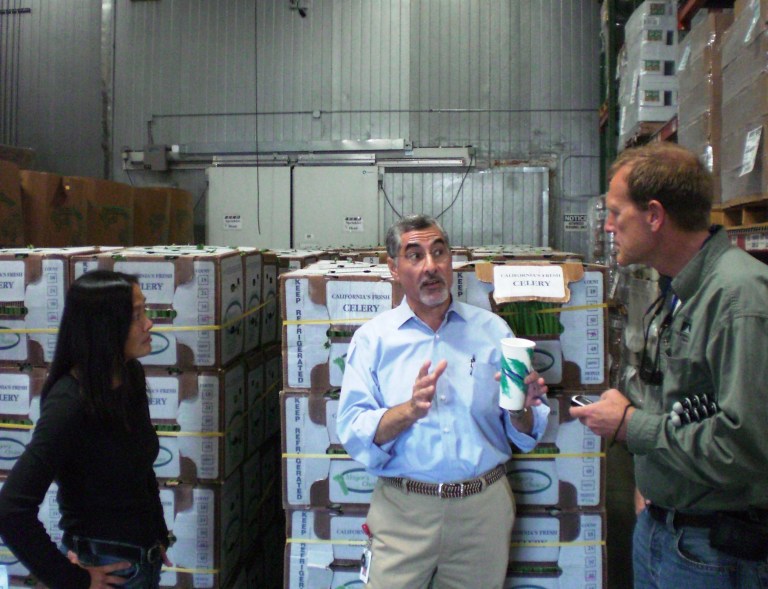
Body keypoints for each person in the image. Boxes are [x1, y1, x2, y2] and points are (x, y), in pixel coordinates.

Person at [570, 142, 768, 588]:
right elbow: (682, 396)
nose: (608, 226)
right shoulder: (680, 289)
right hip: (666, 531)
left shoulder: (740, 300)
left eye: (617, 213)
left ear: (655, 216)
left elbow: (746, 446)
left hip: (715, 554)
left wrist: (631, 426)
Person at [336, 214, 549, 589]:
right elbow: (354, 432)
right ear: (393, 268)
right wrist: (408, 411)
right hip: (404, 511)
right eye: (414, 255)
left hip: (481, 510)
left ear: (452, 261)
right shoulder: (374, 341)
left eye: (439, 252)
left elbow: (523, 433)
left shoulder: (491, 331)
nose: (430, 266)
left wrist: (523, 410)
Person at [0, 270, 172, 588]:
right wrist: (72, 580)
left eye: (144, 311)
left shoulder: (128, 375)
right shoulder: (70, 401)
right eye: (137, 315)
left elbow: (139, 466)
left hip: (141, 565)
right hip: (103, 567)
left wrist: (158, 532)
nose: (149, 323)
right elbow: (11, 509)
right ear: (105, 326)